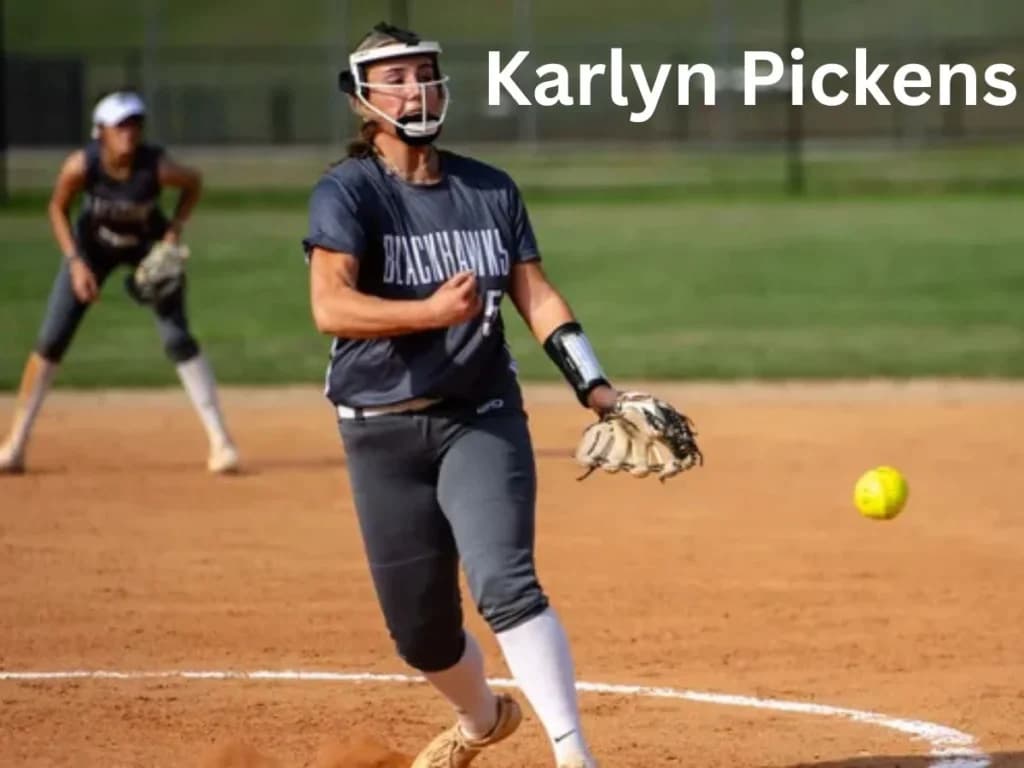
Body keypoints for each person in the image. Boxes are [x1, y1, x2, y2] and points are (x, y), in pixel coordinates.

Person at [303, 23, 623, 768]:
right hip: (377, 427)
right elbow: (331, 306)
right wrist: (426, 313)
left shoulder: (489, 188)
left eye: (427, 73)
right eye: (398, 77)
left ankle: (575, 757)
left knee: (506, 582)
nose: (418, 88)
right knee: (421, 636)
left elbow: (535, 295)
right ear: (363, 100)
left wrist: (596, 386)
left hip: (479, 414)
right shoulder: (348, 192)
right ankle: (483, 719)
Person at [0, 90, 240, 475]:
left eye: (135, 124)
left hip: (147, 249)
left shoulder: (156, 166)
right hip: (91, 249)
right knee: (51, 339)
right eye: (120, 126)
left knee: (177, 338)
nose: (130, 133)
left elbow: (193, 183)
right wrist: (75, 262)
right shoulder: (81, 165)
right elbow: (57, 208)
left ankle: (222, 443)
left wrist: (174, 232)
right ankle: (14, 446)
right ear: (100, 132)